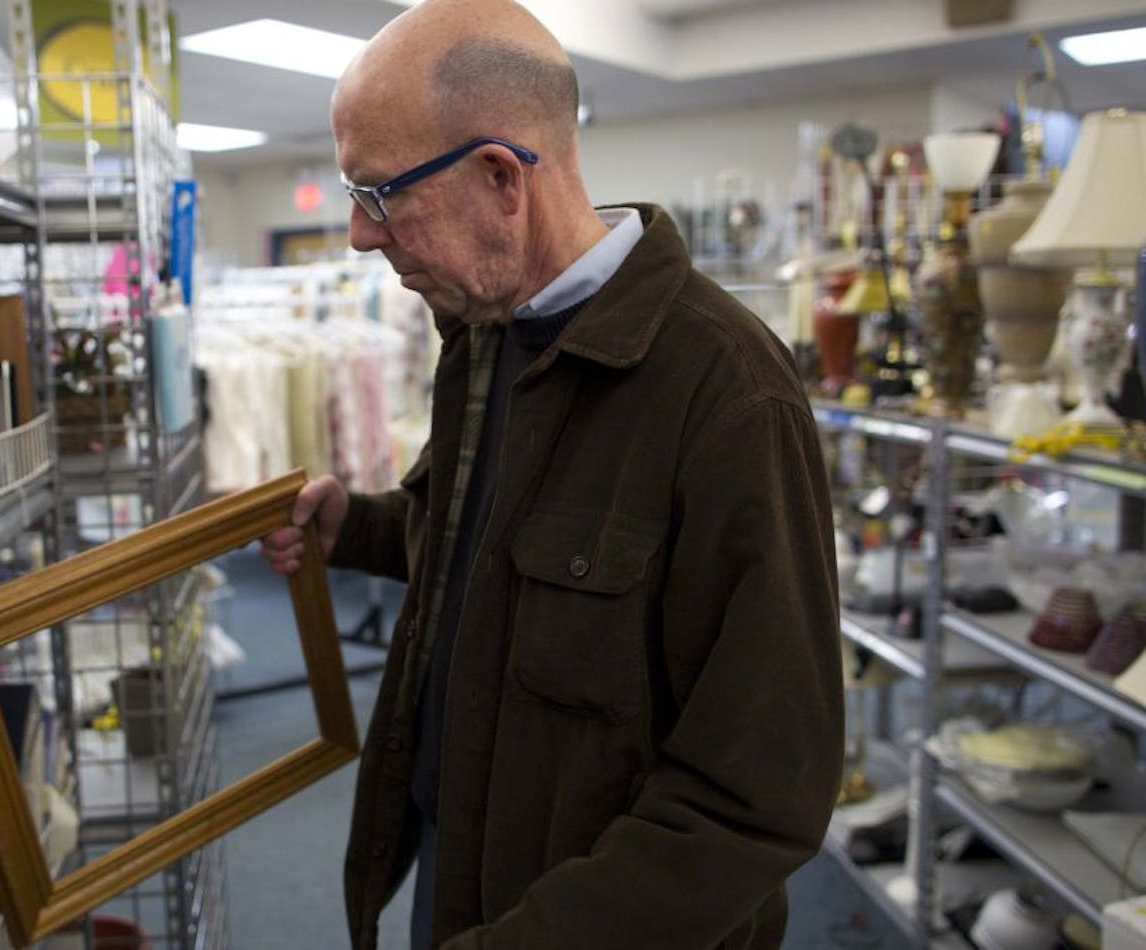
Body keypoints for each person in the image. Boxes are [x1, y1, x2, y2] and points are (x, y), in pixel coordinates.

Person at [260, 0, 843, 946]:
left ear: (500, 177)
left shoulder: (727, 394)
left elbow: (755, 797)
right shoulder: (484, 335)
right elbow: (500, 556)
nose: (362, 238)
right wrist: (357, 529)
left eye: (377, 196)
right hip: (462, 861)